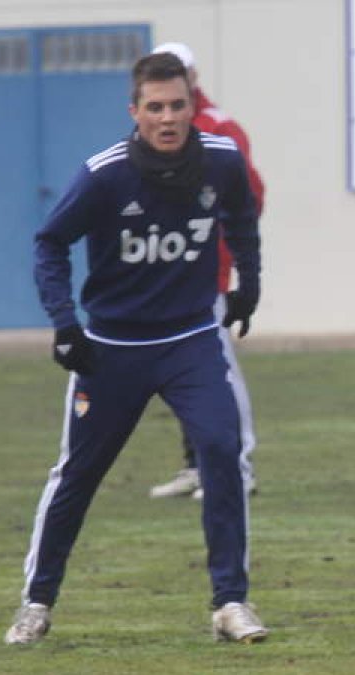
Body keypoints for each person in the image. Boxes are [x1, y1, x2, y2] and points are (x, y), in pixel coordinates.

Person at [5, 53, 267, 645]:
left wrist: (247, 286)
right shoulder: (105, 175)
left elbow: (243, 218)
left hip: (193, 339)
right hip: (112, 347)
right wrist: (64, 323)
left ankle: (230, 601)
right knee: (78, 474)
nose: (168, 118)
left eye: (178, 105)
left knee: (223, 451)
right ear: (135, 112)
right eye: (155, 107)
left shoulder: (221, 162)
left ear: (191, 107)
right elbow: (49, 243)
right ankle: (37, 601)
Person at [147, 41, 264, 500]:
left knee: (218, 372)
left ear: (193, 79)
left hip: (204, 271)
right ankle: (197, 463)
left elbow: (250, 199)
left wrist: (229, 256)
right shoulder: (157, 130)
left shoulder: (220, 130)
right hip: (161, 272)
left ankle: (239, 465)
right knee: (180, 372)